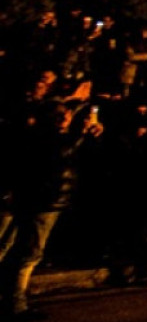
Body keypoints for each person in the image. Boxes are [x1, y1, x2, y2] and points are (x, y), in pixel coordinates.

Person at [1, 99, 100, 318]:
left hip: (49, 201)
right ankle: (16, 305)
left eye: (66, 114)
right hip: (44, 201)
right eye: (59, 115)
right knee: (29, 253)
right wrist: (82, 133)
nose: (65, 118)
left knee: (21, 251)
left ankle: (14, 301)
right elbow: (60, 154)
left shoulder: (57, 137)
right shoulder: (44, 138)